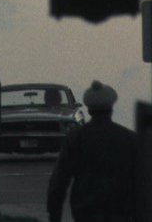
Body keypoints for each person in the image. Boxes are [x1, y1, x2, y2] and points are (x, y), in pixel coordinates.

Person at [47, 80, 137, 222]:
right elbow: (141, 180)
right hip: (120, 211)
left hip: (85, 212)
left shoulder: (76, 138)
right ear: (111, 108)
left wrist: (54, 216)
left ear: (89, 109)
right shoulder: (129, 137)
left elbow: (59, 181)